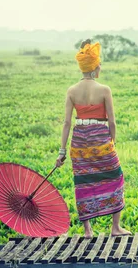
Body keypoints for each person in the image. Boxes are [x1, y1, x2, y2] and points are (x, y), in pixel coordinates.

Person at [56, 39, 130, 238]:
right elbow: (112, 122)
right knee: (115, 176)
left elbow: (66, 124)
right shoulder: (104, 90)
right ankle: (115, 227)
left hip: (79, 140)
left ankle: (88, 230)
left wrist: (62, 152)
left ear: (82, 68)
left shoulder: (72, 91)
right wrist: (111, 143)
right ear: (97, 67)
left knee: (83, 181)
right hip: (100, 138)